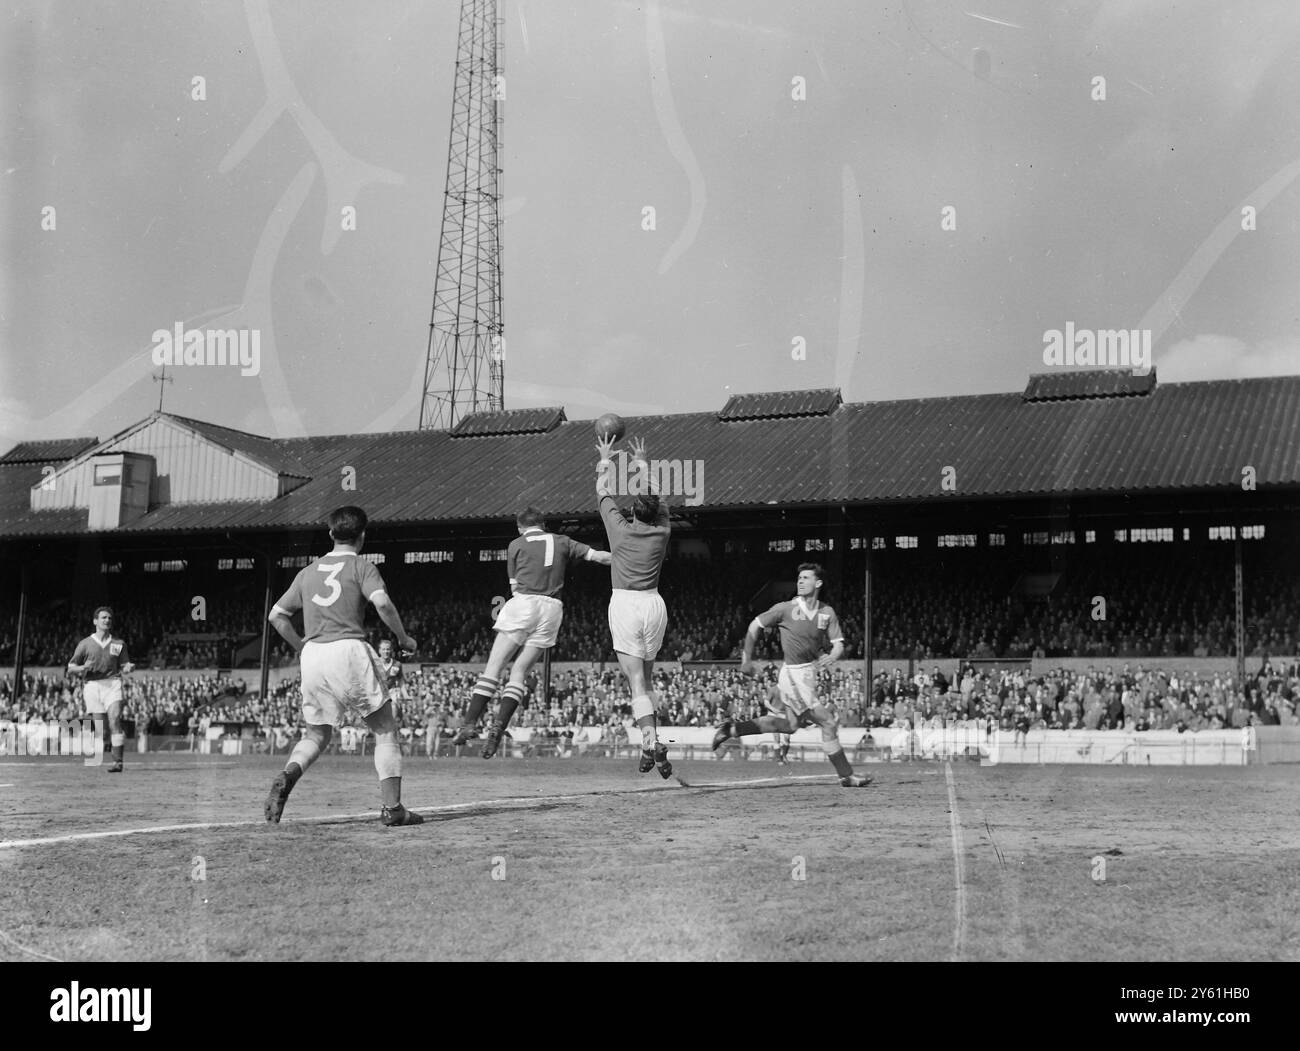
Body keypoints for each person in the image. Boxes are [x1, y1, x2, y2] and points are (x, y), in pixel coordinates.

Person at [263, 506, 423, 827]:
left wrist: (302, 647)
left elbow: (276, 616)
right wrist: (403, 638)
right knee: (384, 729)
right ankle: (393, 809)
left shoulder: (308, 572)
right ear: (363, 536)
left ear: (331, 534)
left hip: (314, 655)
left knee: (317, 734)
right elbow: (381, 603)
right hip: (348, 648)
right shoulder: (362, 566)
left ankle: (288, 775)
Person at [453, 506, 611, 758]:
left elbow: (514, 587)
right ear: (543, 525)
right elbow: (600, 557)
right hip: (552, 610)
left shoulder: (515, 545)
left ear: (520, 527)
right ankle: (498, 726)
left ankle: (469, 723)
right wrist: (631, 559)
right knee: (519, 671)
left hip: (524, 603)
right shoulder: (563, 541)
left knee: (494, 668)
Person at [712, 564, 872, 788]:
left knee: (790, 725)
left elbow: (838, 645)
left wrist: (833, 655)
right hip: (793, 674)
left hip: (808, 675)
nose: (800, 581)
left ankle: (732, 729)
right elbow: (754, 625)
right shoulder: (785, 608)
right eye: (799, 577)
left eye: (806, 577)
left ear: (818, 583)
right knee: (827, 721)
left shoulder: (827, 612)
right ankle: (847, 776)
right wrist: (746, 659)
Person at [596, 435, 673, 778]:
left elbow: (602, 491)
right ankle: (649, 744)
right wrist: (643, 461)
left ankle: (650, 741)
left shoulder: (620, 531)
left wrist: (606, 459)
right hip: (654, 604)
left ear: (632, 513)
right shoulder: (663, 531)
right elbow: (659, 496)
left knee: (636, 684)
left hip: (625, 604)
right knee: (648, 680)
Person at [66, 606, 135, 772]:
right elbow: (70, 667)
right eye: (103, 617)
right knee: (101, 729)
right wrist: (82, 667)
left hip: (112, 684)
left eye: (109, 618)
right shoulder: (85, 644)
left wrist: (129, 668)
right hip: (92, 686)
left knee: (115, 719)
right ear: (95, 621)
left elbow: (125, 665)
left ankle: (118, 762)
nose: (107, 620)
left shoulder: (119, 644)